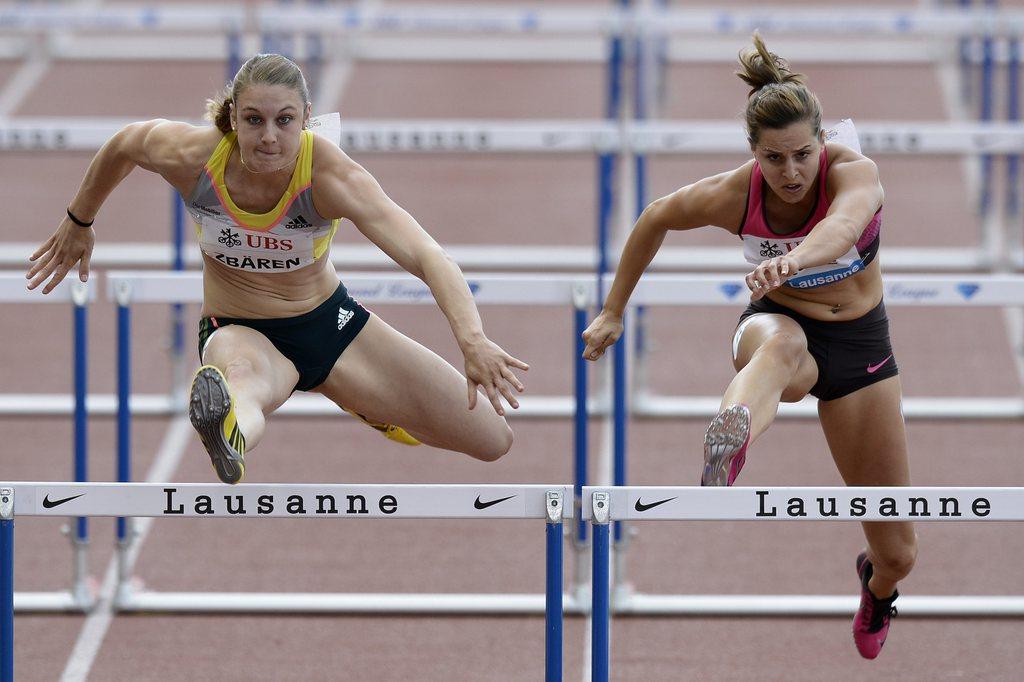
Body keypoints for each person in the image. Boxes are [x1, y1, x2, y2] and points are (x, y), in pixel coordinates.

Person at [27, 53, 528, 486]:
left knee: (492, 439)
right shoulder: (195, 160)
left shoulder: (331, 177)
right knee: (241, 389)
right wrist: (79, 219)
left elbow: (427, 255)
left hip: (329, 328)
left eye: (284, 121)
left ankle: (370, 406)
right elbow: (126, 143)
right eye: (254, 120)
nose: (269, 138)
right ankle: (229, 433)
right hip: (238, 327)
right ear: (232, 119)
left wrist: (472, 340)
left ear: (306, 118)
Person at [581, 34, 915, 659]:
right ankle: (729, 438)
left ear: (823, 143)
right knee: (781, 349)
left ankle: (878, 586)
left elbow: (840, 228)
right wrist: (612, 310)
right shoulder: (736, 194)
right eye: (773, 158)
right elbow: (655, 216)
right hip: (776, 322)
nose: (790, 173)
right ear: (753, 154)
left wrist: (792, 259)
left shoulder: (856, 174)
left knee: (900, 551)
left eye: (801, 155)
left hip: (861, 343)